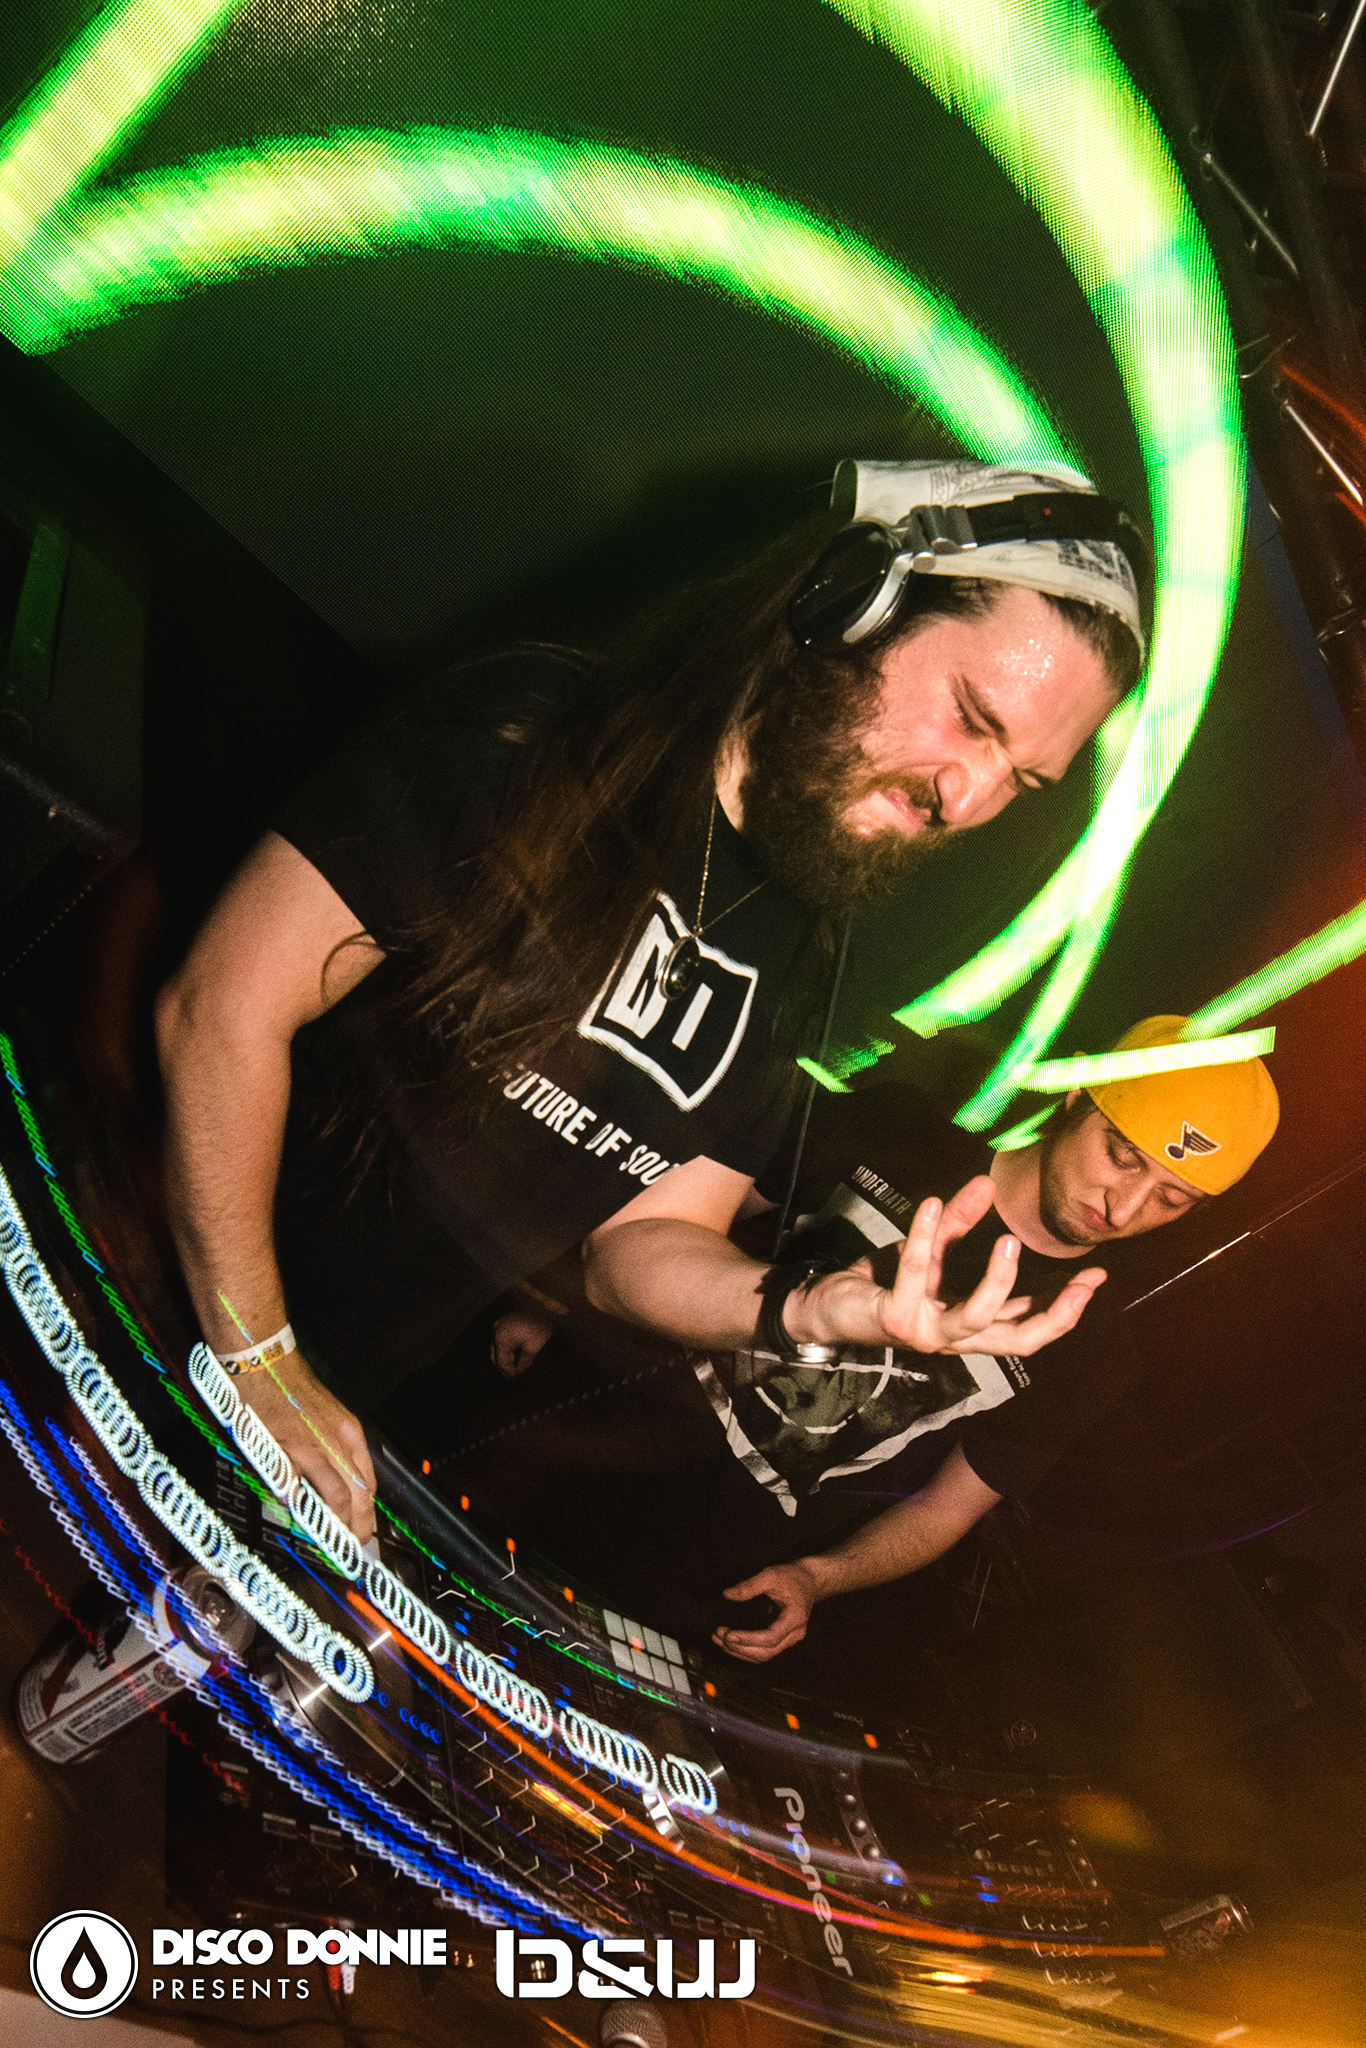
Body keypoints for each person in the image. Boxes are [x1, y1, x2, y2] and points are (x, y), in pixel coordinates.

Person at [155, 459, 1147, 1542]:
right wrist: (257, 1351)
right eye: (971, 718)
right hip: (148, 1283)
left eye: (1023, 782)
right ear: (847, 601)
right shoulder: (531, 736)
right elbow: (220, 1011)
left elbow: (644, 1244)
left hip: (315, 1402)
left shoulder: (802, 960)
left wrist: (811, 1307)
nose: (967, 799)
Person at [701, 1014, 1281, 1660]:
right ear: (1077, 1096)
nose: (1123, 1208)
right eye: (1122, 1157)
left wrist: (817, 1579)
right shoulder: (896, 1130)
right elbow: (686, 1222)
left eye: (1171, 1199)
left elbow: (945, 1509)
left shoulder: (1091, 1349)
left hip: (723, 1573)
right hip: (621, 1408)